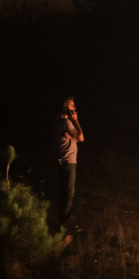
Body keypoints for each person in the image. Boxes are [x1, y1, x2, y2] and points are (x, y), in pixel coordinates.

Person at [54, 97, 84, 227]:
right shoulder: (66, 122)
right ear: (65, 106)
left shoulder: (56, 119)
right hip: (68, 161)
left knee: (64, 192)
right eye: (72, 106)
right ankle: (64, 225)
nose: (74, 108)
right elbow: (81, 138)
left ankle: (62, 221)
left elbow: (75, 139)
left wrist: (72, 137)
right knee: (68, 193)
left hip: (62, 160)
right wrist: (75, 121)